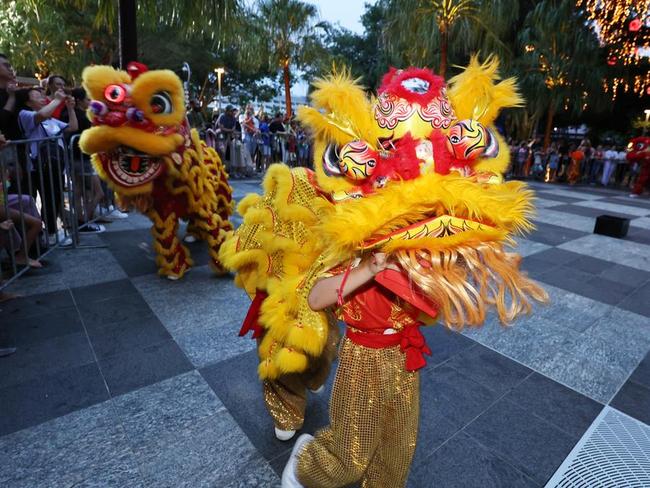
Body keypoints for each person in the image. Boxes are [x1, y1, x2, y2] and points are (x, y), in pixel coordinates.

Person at [282, 252, 424, 487]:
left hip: (404, 356)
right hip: (362, 359)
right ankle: (304, 465)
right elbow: (315, 298)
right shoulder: (353, 248)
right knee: (352, 451)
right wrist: (368, 268)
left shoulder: (416, 249)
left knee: (398, 444)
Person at [16, 87, 77, 245]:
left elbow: (72, 127)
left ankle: (50, 232)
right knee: (41, 199)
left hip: (56, 166)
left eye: (43, 95)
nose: (43, 98)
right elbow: (41, 115)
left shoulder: (51, 120)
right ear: (28, 102)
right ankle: (44, 234)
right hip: (38, 167)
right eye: (37, 96)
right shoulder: (25, 114)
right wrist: (57, 100)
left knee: (54, 198)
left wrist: (70, 109)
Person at [61, 87, 105, 233]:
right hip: (82, 158)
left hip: (77, 158)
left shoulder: (76, 114)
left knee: (78, 190)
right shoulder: (80, 116)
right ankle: (85, 221)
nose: (90, 102)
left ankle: (81, 221)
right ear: (79, 100)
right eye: (88, 99)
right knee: (98, 193)